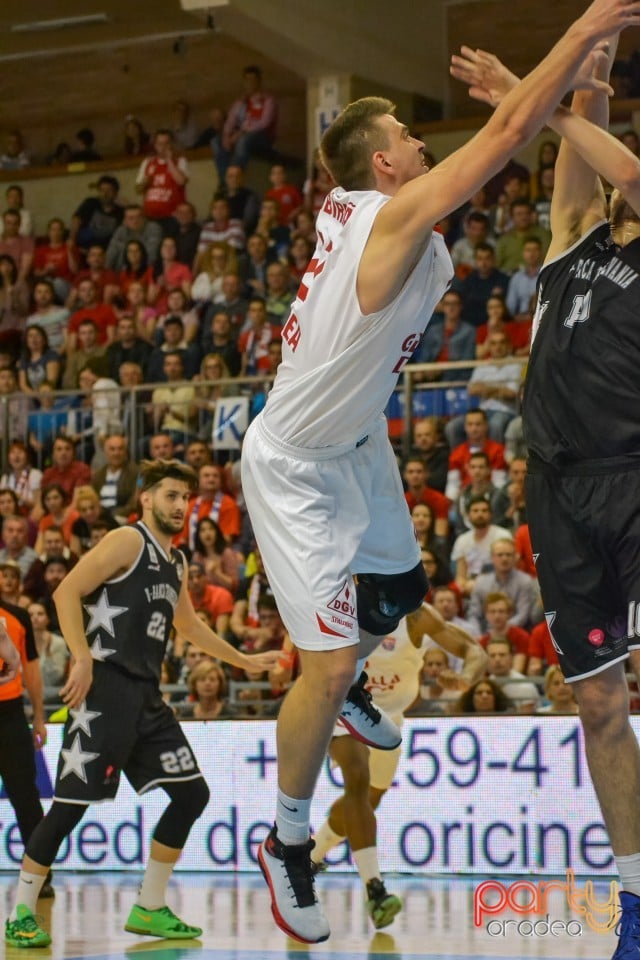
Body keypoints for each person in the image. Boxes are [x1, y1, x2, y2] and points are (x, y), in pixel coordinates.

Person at [239, 0, 632, 941]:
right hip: (294, 462)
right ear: (384, 164)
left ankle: (362, 677)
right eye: (409, 137)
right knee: (328, 670)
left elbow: (575, 143)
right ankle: (288, 838)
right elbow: (506, 133)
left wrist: (594, 61)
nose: (421, 143)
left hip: (356, 436)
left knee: (404, 588)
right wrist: (580, 30)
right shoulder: (391, 218)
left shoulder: (368, 209)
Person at [452, 23, 640, 955]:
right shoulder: (571, 244)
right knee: (601, 703)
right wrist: (593, 66)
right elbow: (582, 168)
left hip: (636, 483)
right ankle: (638, 903)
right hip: (557, 494)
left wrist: (535, 96)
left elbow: (617, 163)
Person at [3, 458, 279, 949]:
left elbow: (190, 627)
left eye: (186, 499)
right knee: (69, 807)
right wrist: (82, 657)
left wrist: (247, 661)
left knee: (192, 795)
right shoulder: (128, 541)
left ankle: (149, 907)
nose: (180, 506)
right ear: (146, 498)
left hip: (146, 699)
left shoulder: (175, 562)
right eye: (171, 495)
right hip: (104, 691)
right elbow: (67, 592)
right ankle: (21, 912)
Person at [309, 603, 486, 926]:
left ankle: (310, 857)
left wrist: (465, 678)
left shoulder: (417, 616)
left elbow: (474, 651)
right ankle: (375, 891)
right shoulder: (346, 606)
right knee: (357, 780)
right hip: (344, 707)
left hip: (389, 718)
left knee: (366, 800)